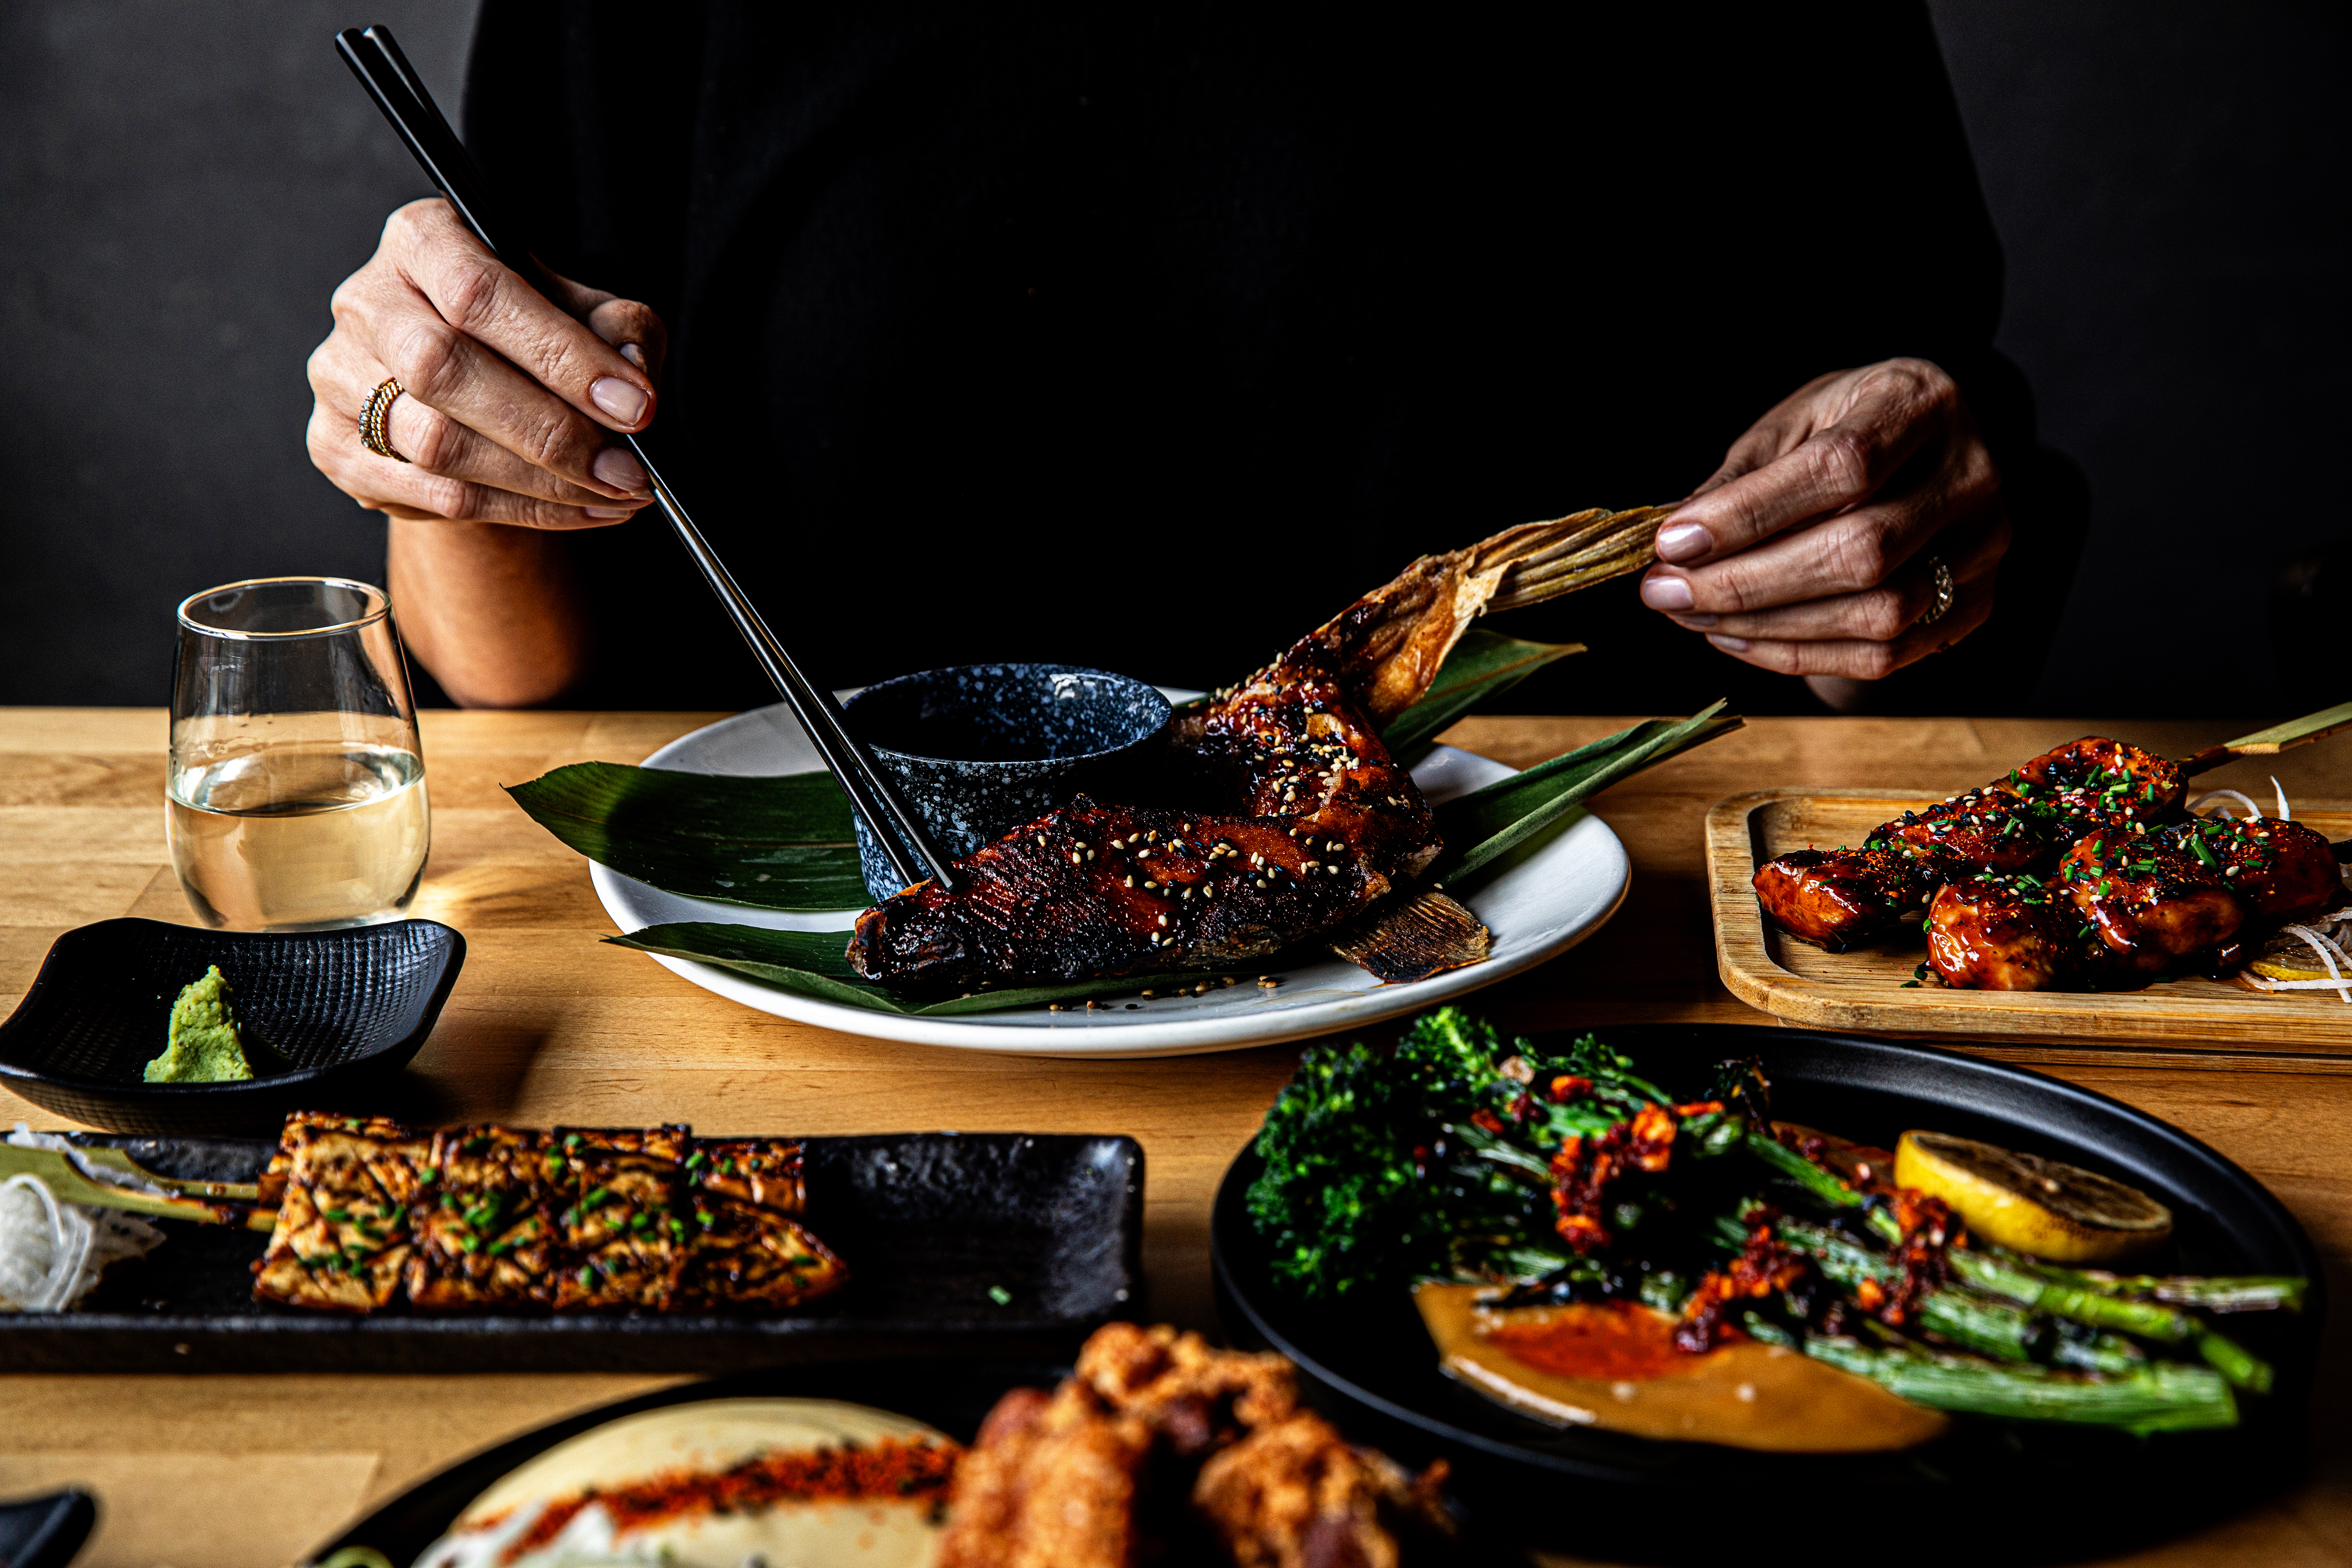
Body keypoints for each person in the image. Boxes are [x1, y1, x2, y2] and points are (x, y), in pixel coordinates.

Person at [306, 4, 2081, 715]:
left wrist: (1910, 530)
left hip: (1577, 990)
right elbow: (513, 667)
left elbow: (1931, 453)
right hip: (833, 1007)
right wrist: (439, 434)